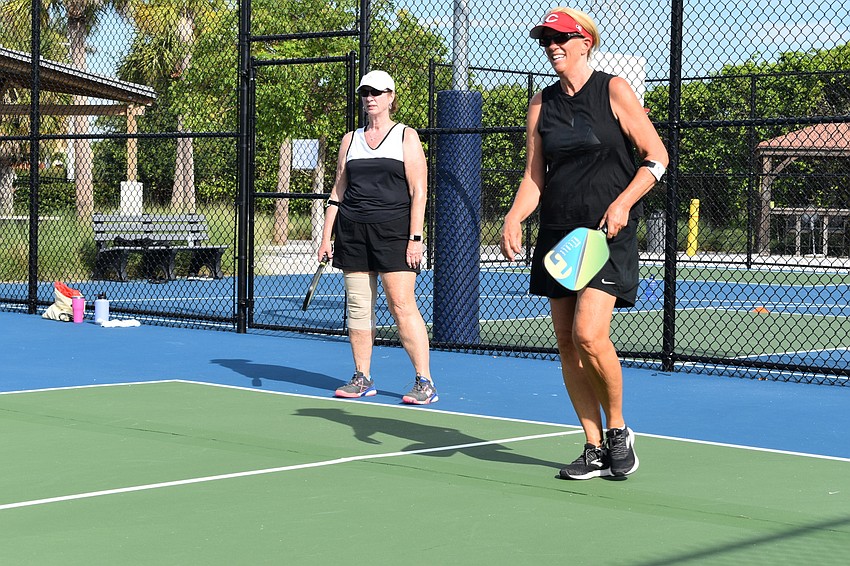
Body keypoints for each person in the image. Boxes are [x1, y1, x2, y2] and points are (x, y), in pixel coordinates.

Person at [500, 8, 668, 479]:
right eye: (545, 39)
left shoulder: (613, 89)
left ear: (585, 42)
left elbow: (657, 157)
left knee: (589, 336)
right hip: (559, 236)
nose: (552, 45)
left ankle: (618, 431)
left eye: (560, 38)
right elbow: (535, 175)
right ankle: (592, 446)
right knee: (566, 345)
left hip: (605, 234)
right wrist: (514, 215)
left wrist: (622, 204)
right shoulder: (541, 103)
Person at [318, 70, 438, 405]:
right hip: (353, 233)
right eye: (364, 93)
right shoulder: (350, 140)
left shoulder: (406, 136)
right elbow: (338, 191)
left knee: (401, 305)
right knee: (358, 308)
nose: (369, 98)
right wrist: (326, 237)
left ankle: (424, 381)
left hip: (394, 233)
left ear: (390, 97)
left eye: (376, 92)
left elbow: (419, 191)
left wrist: (416, 237)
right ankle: (362, 377)